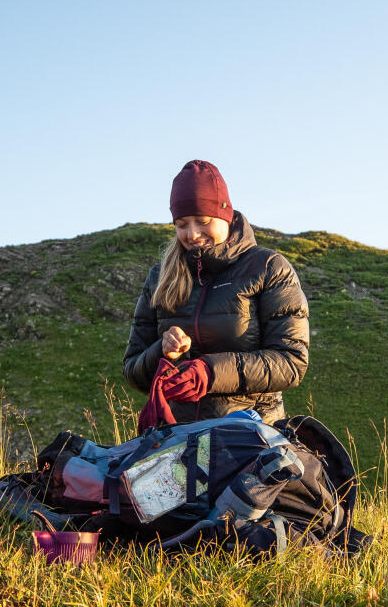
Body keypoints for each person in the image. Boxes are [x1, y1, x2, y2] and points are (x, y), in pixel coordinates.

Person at [123, 160, 310, 428]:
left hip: (248, 436)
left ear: (225, 215)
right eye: (182, 224)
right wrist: (163, 352)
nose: (192, 234)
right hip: (176, 439)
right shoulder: (160, 277)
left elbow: (291, 362)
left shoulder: (268, 268)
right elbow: (134, 371)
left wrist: (210, 372)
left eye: (203, 221)